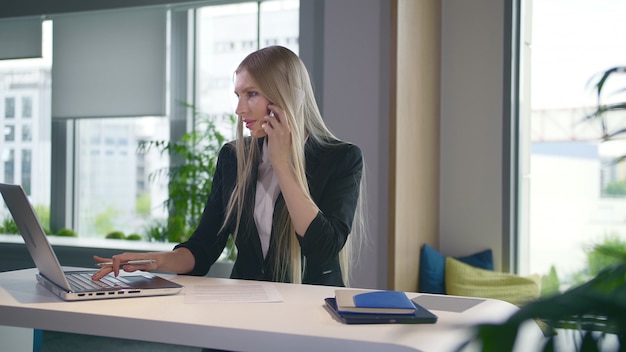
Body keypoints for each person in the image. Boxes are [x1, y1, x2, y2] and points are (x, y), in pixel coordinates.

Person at [92, 45, 365, 287]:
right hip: (247, 303)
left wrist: (282, 164)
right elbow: (204, 247)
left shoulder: (341, 158)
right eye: (238, 95)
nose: (240, 109)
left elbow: (322, 249)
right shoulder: (233, 157)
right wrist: (154, 261)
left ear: (287, 97)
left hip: (309, 310)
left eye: (252, 94)